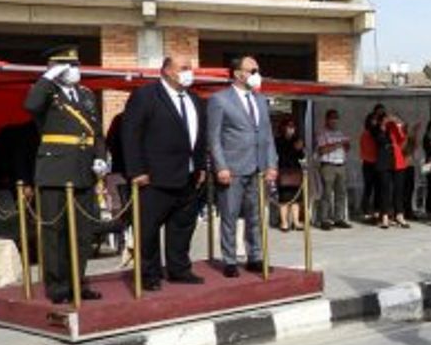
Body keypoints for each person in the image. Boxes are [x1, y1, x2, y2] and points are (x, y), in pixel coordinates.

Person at [23, 46, 108, 304]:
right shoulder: (46, 92)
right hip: (55, 171)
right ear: (56, 67)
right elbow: (30, 105)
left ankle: (77, 283)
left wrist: (100, 157)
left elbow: (96, 131)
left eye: (76, 65)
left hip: (84, 171)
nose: (75, 70)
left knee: (82, 233)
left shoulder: (86, 94)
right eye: (68, 65)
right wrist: (48, 77)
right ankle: (58, 287)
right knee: (55, 232)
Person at [121, 57, 208, 290]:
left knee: (182, 226)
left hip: (188, 176)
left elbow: (200, 137)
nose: (189, 73)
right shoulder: (146, 95)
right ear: (168, 71)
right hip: (154, 177)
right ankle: (149, 275)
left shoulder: (194, 99)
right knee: (148, 229)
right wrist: (136, 170)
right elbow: (131, 134)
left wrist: (200, 166)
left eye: (190, 68)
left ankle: (179, 269)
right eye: (184, 68)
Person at [207, 55, 278, 278]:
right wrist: (221, 166)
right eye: (252, 70)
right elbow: (214, 137)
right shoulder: (220, 100)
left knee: (255, 216)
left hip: (257, 167)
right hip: (232, 168)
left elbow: (267, 135)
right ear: (238, 74)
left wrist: (271, 164)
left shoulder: (260, 100)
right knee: (229, 215)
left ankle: (255, 256)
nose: (257, 75)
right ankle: (229, 259)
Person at [370, 108, 408, 229]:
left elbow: (402, 139)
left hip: (397, 160)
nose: (389, 119)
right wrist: (384, 124)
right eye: (385, 118)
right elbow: (379, 139)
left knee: (399, 189)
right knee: (385, 190)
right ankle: (384, 215)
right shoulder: (377, 129)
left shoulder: (393, 127)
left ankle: (399, 214)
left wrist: (398, 124)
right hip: (384, 161)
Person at [315, 109, 351, 231]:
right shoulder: (322, 133)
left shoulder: (340, 133)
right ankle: (324, 219)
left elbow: (346, 148)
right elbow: (322, 150)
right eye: (332, 118)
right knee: (326, 193)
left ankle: (338, 218)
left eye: (336, 118)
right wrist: (337, 144)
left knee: (341, 193)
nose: (334, 120)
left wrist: (346, 145)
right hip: (328, 165)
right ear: (327, 119)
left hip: (341, 164)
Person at [274, 117, 305, 232]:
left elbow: (301, 156)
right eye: (289, 126)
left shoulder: (296, 139)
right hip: (283, 170)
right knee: (284, 198)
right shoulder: (278, 140)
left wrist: (300, 148)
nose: (291, 129)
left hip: (295, 169)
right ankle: (284, 222)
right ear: (283, 127)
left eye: (293, 127)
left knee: (296, 197)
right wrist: (293, 147)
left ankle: (296, 222)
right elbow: (281, 154)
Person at [358, 106, 383, 222]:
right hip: (369, 163)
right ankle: (366, 210)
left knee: (378, 188)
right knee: (368, 187)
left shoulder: (378, 133)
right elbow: (366, 150)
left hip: (378, 163)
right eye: (373, 120)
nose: (375, 122)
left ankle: (377, 210)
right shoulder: (366, 134)